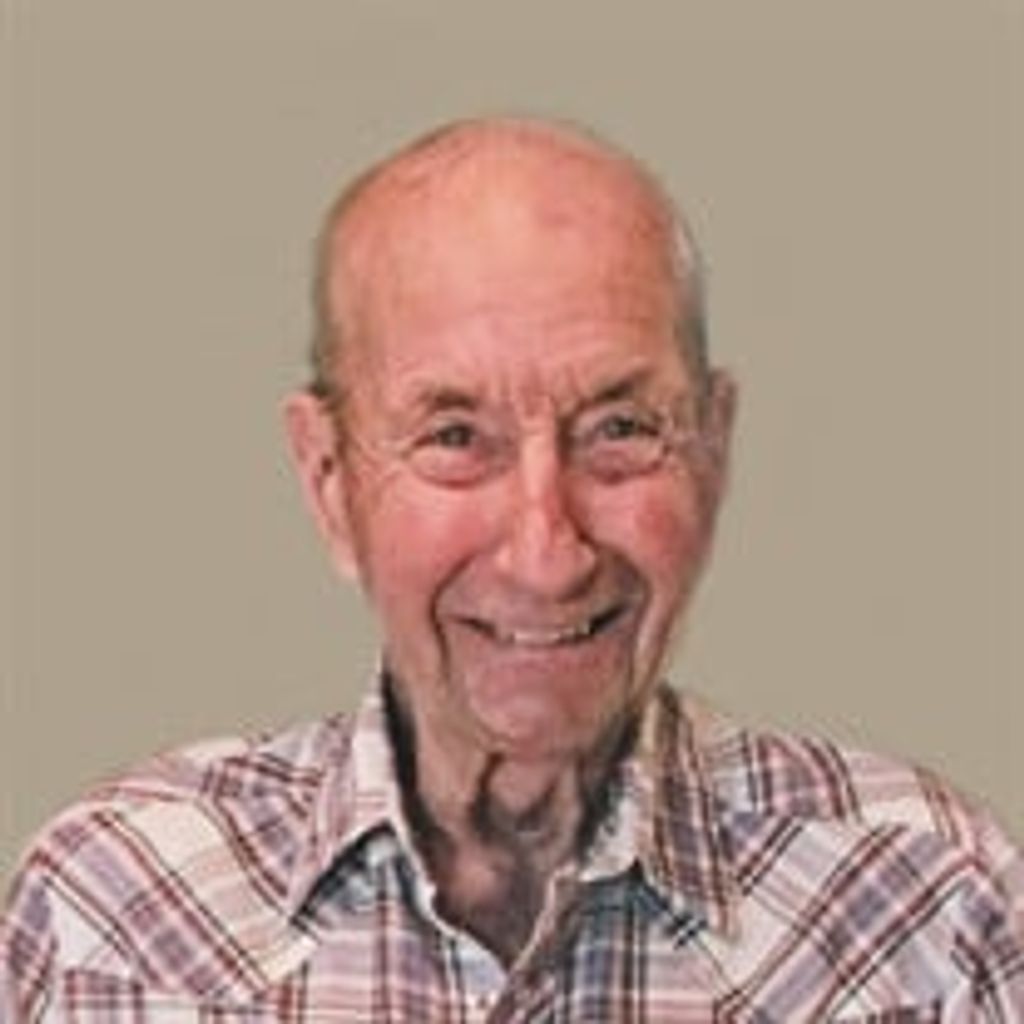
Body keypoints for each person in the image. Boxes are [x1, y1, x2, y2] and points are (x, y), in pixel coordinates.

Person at [2, 117, 1021, 1022]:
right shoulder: (109, 915)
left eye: (620, 429)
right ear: (329, 482)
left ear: (713, 454)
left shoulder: (931, 909)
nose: (546, 555)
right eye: (455, 437)